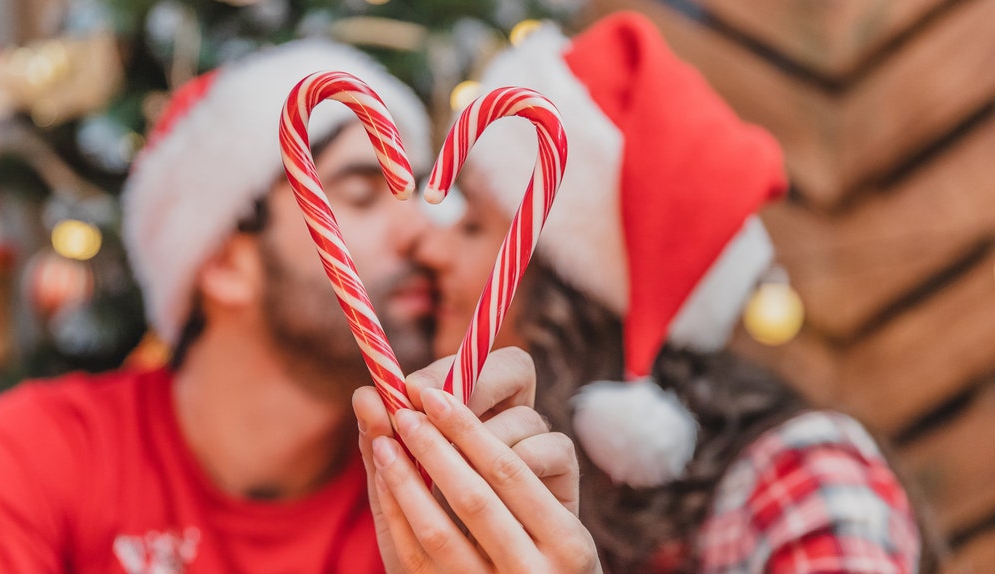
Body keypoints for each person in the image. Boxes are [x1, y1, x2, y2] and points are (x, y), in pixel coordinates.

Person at [361, 12, 927, 573]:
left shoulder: (801, 475)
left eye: (473, 226)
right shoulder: (494, 475)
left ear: (568, 290)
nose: (430, 251)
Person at [0, 38, 564, 573]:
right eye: (362, 195)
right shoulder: (30, 460)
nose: (424, 236)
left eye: (415, 195)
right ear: (226, 263)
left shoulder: (446, 502)